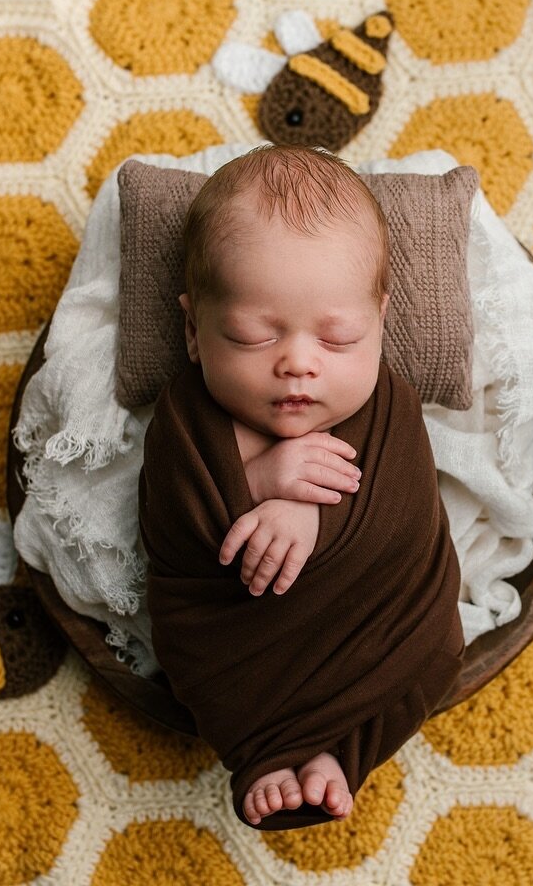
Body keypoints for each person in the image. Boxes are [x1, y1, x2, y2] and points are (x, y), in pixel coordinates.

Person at [143, 142, 461, 828]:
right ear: (194, 330)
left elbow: (408, 517)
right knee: (202, 672)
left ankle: (344, 753)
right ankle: (262, 755)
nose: (298, 363)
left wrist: (320, 517)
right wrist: (255, 482)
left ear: (379, 319)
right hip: (233, 635)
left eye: (338, 337)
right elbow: (166, 520)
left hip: (373, 616)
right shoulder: (186, 416)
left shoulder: (389, 411)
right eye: (253, 336)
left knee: (431, 650)